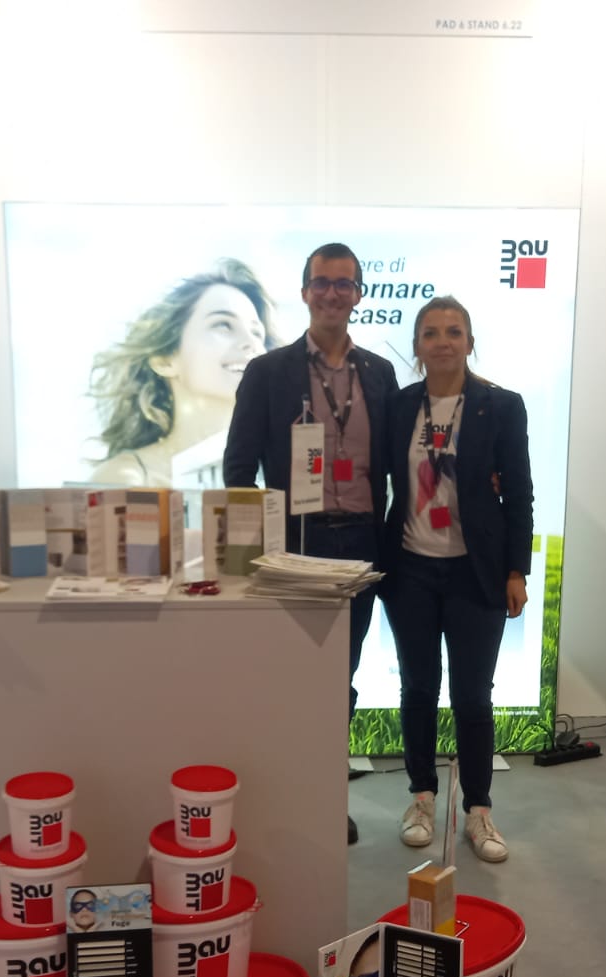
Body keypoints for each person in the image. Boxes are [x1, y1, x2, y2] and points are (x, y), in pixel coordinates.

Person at [223, 243, 399, 847]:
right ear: (304, 293)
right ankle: (282, 797)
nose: (332, 294)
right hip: (295, 548)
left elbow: (397, 463)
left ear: (358, 295)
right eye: (322, 282)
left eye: (344, 284)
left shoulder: (380, 373)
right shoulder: (267, 372)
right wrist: (254, 552)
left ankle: (325, 796)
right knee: (291, 677)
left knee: (340, 678)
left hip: (362, 546)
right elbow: (238, 469)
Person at [383, 297, 533, 863]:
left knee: (473, 697)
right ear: (417, 346)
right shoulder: (399, 407)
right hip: (411, 570)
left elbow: (519, 493)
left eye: (453, 331)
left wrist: (516, 570)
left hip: (477, 572)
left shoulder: (502, 406)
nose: (442, 341)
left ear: (470, 342)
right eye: (430, 333)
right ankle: (421, 798)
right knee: (418, 689)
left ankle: (479, 809)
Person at [89, 259, 278, 488]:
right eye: (223, 325)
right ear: (165, 360)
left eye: (257, 333)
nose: (251, 343)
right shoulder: (128, 478)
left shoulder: (285, 470)